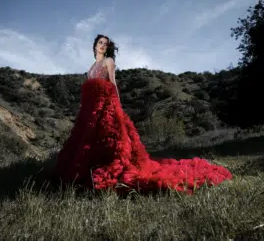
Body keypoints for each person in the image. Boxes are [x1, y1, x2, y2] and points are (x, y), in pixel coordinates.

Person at [54, 34, 232, 195]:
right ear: (94, 45)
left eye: (105, 44)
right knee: (86, 141)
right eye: (100, 43)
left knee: (110, 141)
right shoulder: (92, 66)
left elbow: (113, 84)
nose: (102, 46)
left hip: (106, 105)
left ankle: (103, 169)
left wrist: (117, 105)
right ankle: (85, 170)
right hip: (91, 108)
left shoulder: (108, 62)